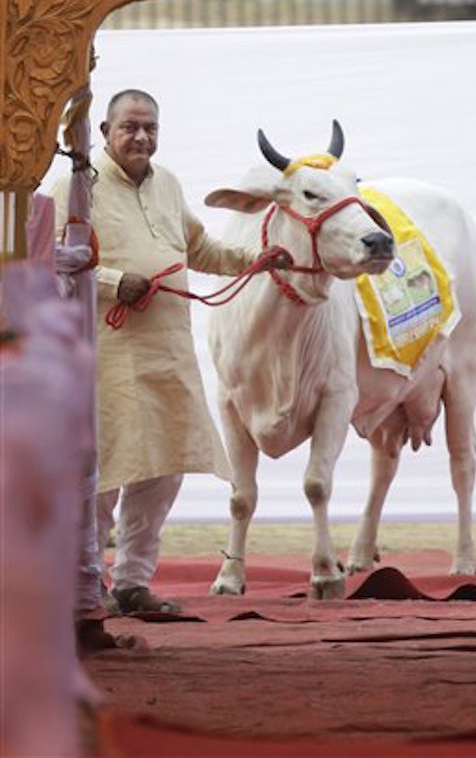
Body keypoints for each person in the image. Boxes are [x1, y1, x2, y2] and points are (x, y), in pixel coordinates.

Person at [51, 88, 290, 615]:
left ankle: (133, 583)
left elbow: (200, 248)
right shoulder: (74, 184)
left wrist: (257, 259)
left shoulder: (170, 184)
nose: (141, 137)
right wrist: (113, 281)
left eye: (150, 128)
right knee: (104, 472)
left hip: (168, 350)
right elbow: (46, 255)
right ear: (107, 132)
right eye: (129, 127)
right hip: (106, 354)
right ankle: (86, 588)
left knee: (164, 472)